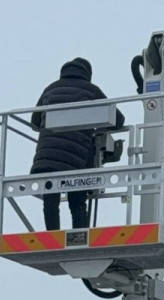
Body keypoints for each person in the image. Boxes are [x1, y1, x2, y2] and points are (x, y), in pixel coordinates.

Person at [30, 58, 124, 231]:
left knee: (50, 196)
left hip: (46, 158)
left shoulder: (50, 88)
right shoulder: (91, 91)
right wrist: (96, 126)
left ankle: (52, 235)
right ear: (87, 74)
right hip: (75, 159)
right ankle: (79, 235)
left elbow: (34, 122)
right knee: (78, 199)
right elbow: (118, 119)